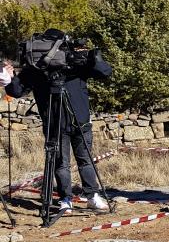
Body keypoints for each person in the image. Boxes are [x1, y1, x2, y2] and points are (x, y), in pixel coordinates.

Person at [4, 29, 112, 213]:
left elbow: (16, 91)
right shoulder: (74, 62)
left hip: (57, 122)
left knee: (61, 162)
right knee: (84, 160)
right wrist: (92, 56)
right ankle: (91, 196)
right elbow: (105, 72)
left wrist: (12, 77)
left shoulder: (36, 67)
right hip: (78, 119)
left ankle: (66, 200)